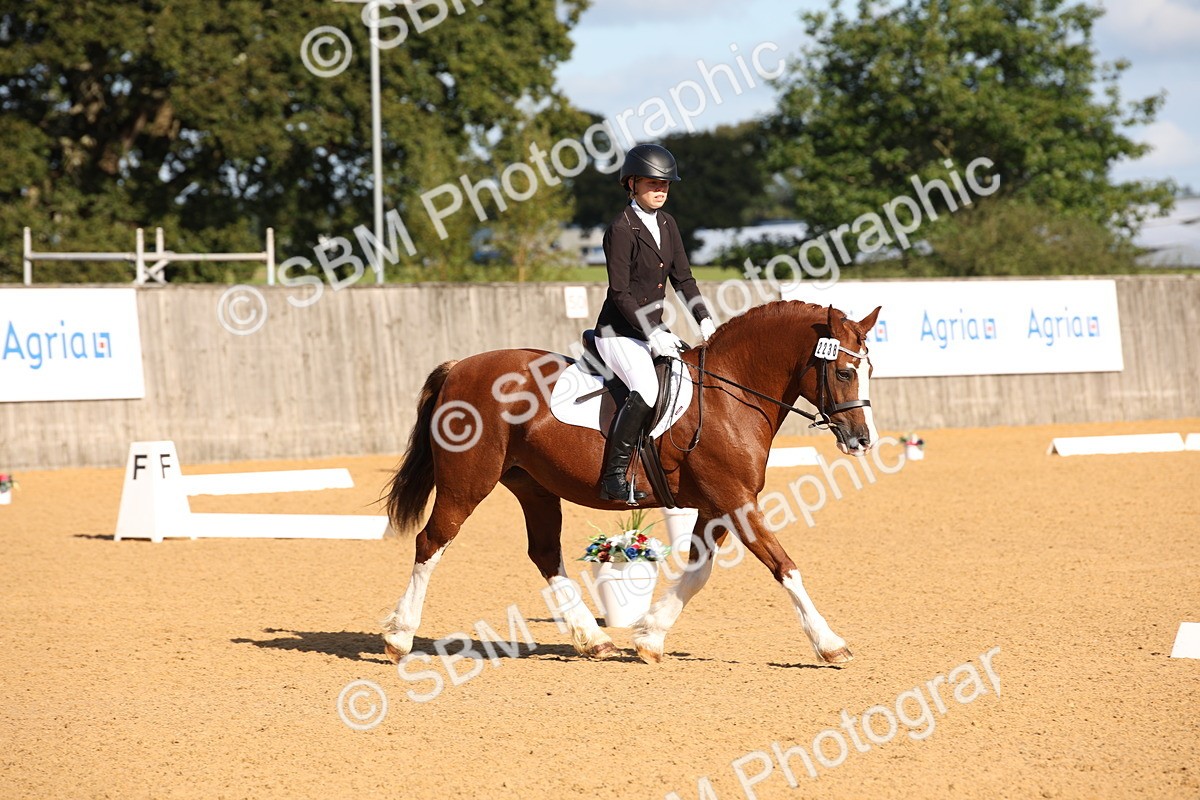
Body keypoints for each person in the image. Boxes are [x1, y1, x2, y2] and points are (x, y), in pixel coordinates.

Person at [593, 143, 717, 502]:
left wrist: (704, 320)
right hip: (618, 332)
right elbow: (621, 293)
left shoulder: (667, 223)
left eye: (665, 184)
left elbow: (684, 279)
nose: (660, 190)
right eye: (652, 183)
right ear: (631, 184)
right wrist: (652, 332)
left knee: (685, 381)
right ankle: (614, 475)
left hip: (652, 331)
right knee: (647, 389)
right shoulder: (621, 228)